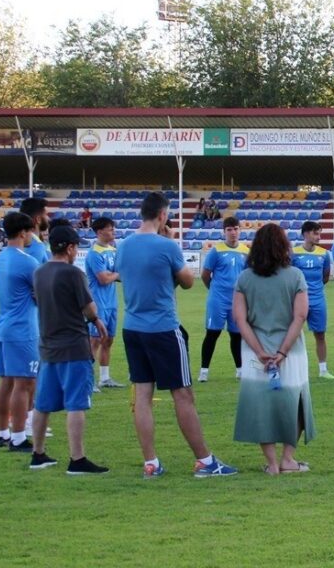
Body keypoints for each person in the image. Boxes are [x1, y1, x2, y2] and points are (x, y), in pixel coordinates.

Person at [116, 191, 237, 478]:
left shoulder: (123, 245)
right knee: (183, 394)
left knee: (143, 395)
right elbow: (187, 281)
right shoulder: (166, 246)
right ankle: (205, 461)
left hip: (132, 327)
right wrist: (170, 242)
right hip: (163, 328)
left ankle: (151, 463)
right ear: (162, 215)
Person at [232, 224, 316, 474]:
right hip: (291, 350)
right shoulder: (295, 276)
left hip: (255, 351)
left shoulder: (244, 278)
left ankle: (271, 463)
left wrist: (258, 350)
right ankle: (288, 458)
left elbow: (240, 319)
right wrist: (282, 352)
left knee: (261, 404)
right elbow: (300, 316)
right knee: (297, 401)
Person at [29, 225, 109, 474]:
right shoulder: (73, 274)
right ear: (71, 248)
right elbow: (89, 309)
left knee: (42, 404)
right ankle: (77, 459)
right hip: (74, 346)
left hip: (48, 346)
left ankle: (38, 453)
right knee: (76, 403)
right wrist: (96, 319)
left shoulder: (39, 272)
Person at [0, 212, 39, 452]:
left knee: (7, 381)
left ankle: (2, 433)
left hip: (2, 326)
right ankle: (19, 437)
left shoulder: (1, 257)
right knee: (24, 383)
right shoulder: (27, 261)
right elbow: (42, 293)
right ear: (23, 232)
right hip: (22, 329)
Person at [198, 217, 250, 382]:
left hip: (237, 300)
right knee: (212, 333)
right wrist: (214, 291)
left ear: (240, 230)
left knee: (237, 335)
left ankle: (240, 370)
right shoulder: (216, 251)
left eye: (235, 228)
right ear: (224, 232)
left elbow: (248, 275)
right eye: (229, 229)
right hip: (218, 299)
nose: (233, 232)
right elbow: (205, 275)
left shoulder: (246, 251)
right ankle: (204, 371)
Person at [292, 221, 334, 379]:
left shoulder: (324, 254)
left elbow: (325, 276)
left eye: (319, 233)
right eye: (315, 233)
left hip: (317, 299)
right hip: (298, 300)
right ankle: (294, 368)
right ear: (306, 234)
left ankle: (323, 370)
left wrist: (314, 289)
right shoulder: (293, 253)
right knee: (294, 334)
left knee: (320, 334)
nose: (319, 237)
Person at [85, 217, 123, 390]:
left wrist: (114, 275)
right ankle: (89, 380)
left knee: (108, 340)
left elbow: (116, 275)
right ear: (100, 232)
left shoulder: (112, 250)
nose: (113, 232)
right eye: (110, 229)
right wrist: (115, 275)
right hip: (98, 303)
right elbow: (103, 279)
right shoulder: (94, 253)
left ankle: (105, 378)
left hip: (111, 303)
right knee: (95, 342)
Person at [19, 197, 50, 265]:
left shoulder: (19, 241)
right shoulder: (35, 245)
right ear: (38, 219)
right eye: (46, 214)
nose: (48, 218)